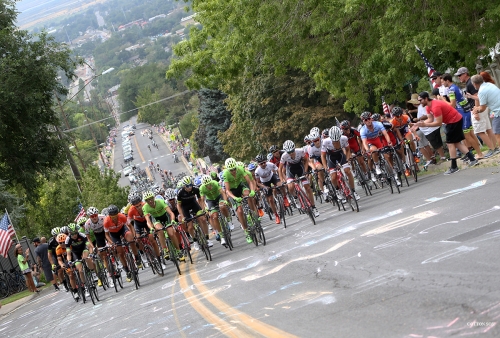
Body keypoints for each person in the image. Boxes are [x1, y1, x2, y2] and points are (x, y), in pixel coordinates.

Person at [416, 91, 478, 175]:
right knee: (456, 143)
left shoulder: (435, 106)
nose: (419, 102)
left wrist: (424, 124)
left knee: (450, 144)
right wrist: (417, 125)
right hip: (452, 121)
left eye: (420, 100)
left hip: (454, 120)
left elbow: (438, 123)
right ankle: (473, 159)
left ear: (426, 98)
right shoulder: (428, 107)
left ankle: (454, 166)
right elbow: (430, 119)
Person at [441, 73, 484, 160]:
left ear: (447, 81)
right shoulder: (455, 86)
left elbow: (452, 105)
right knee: (471, 133)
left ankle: (479, 153)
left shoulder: (451, 90)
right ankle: (480, 151)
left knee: (467, 136)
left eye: (443, 82)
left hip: (462, 112)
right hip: (466, 110)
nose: (442, 84)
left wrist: (443, 100)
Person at [471, 74, 500, 155]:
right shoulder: (489, 84)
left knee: (497, 134)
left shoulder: (481, 91)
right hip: (497, 109)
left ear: (475, 84)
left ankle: (493, 149)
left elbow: (482, 108)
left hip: (498, 112)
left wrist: (476, 110)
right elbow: (487, 100)